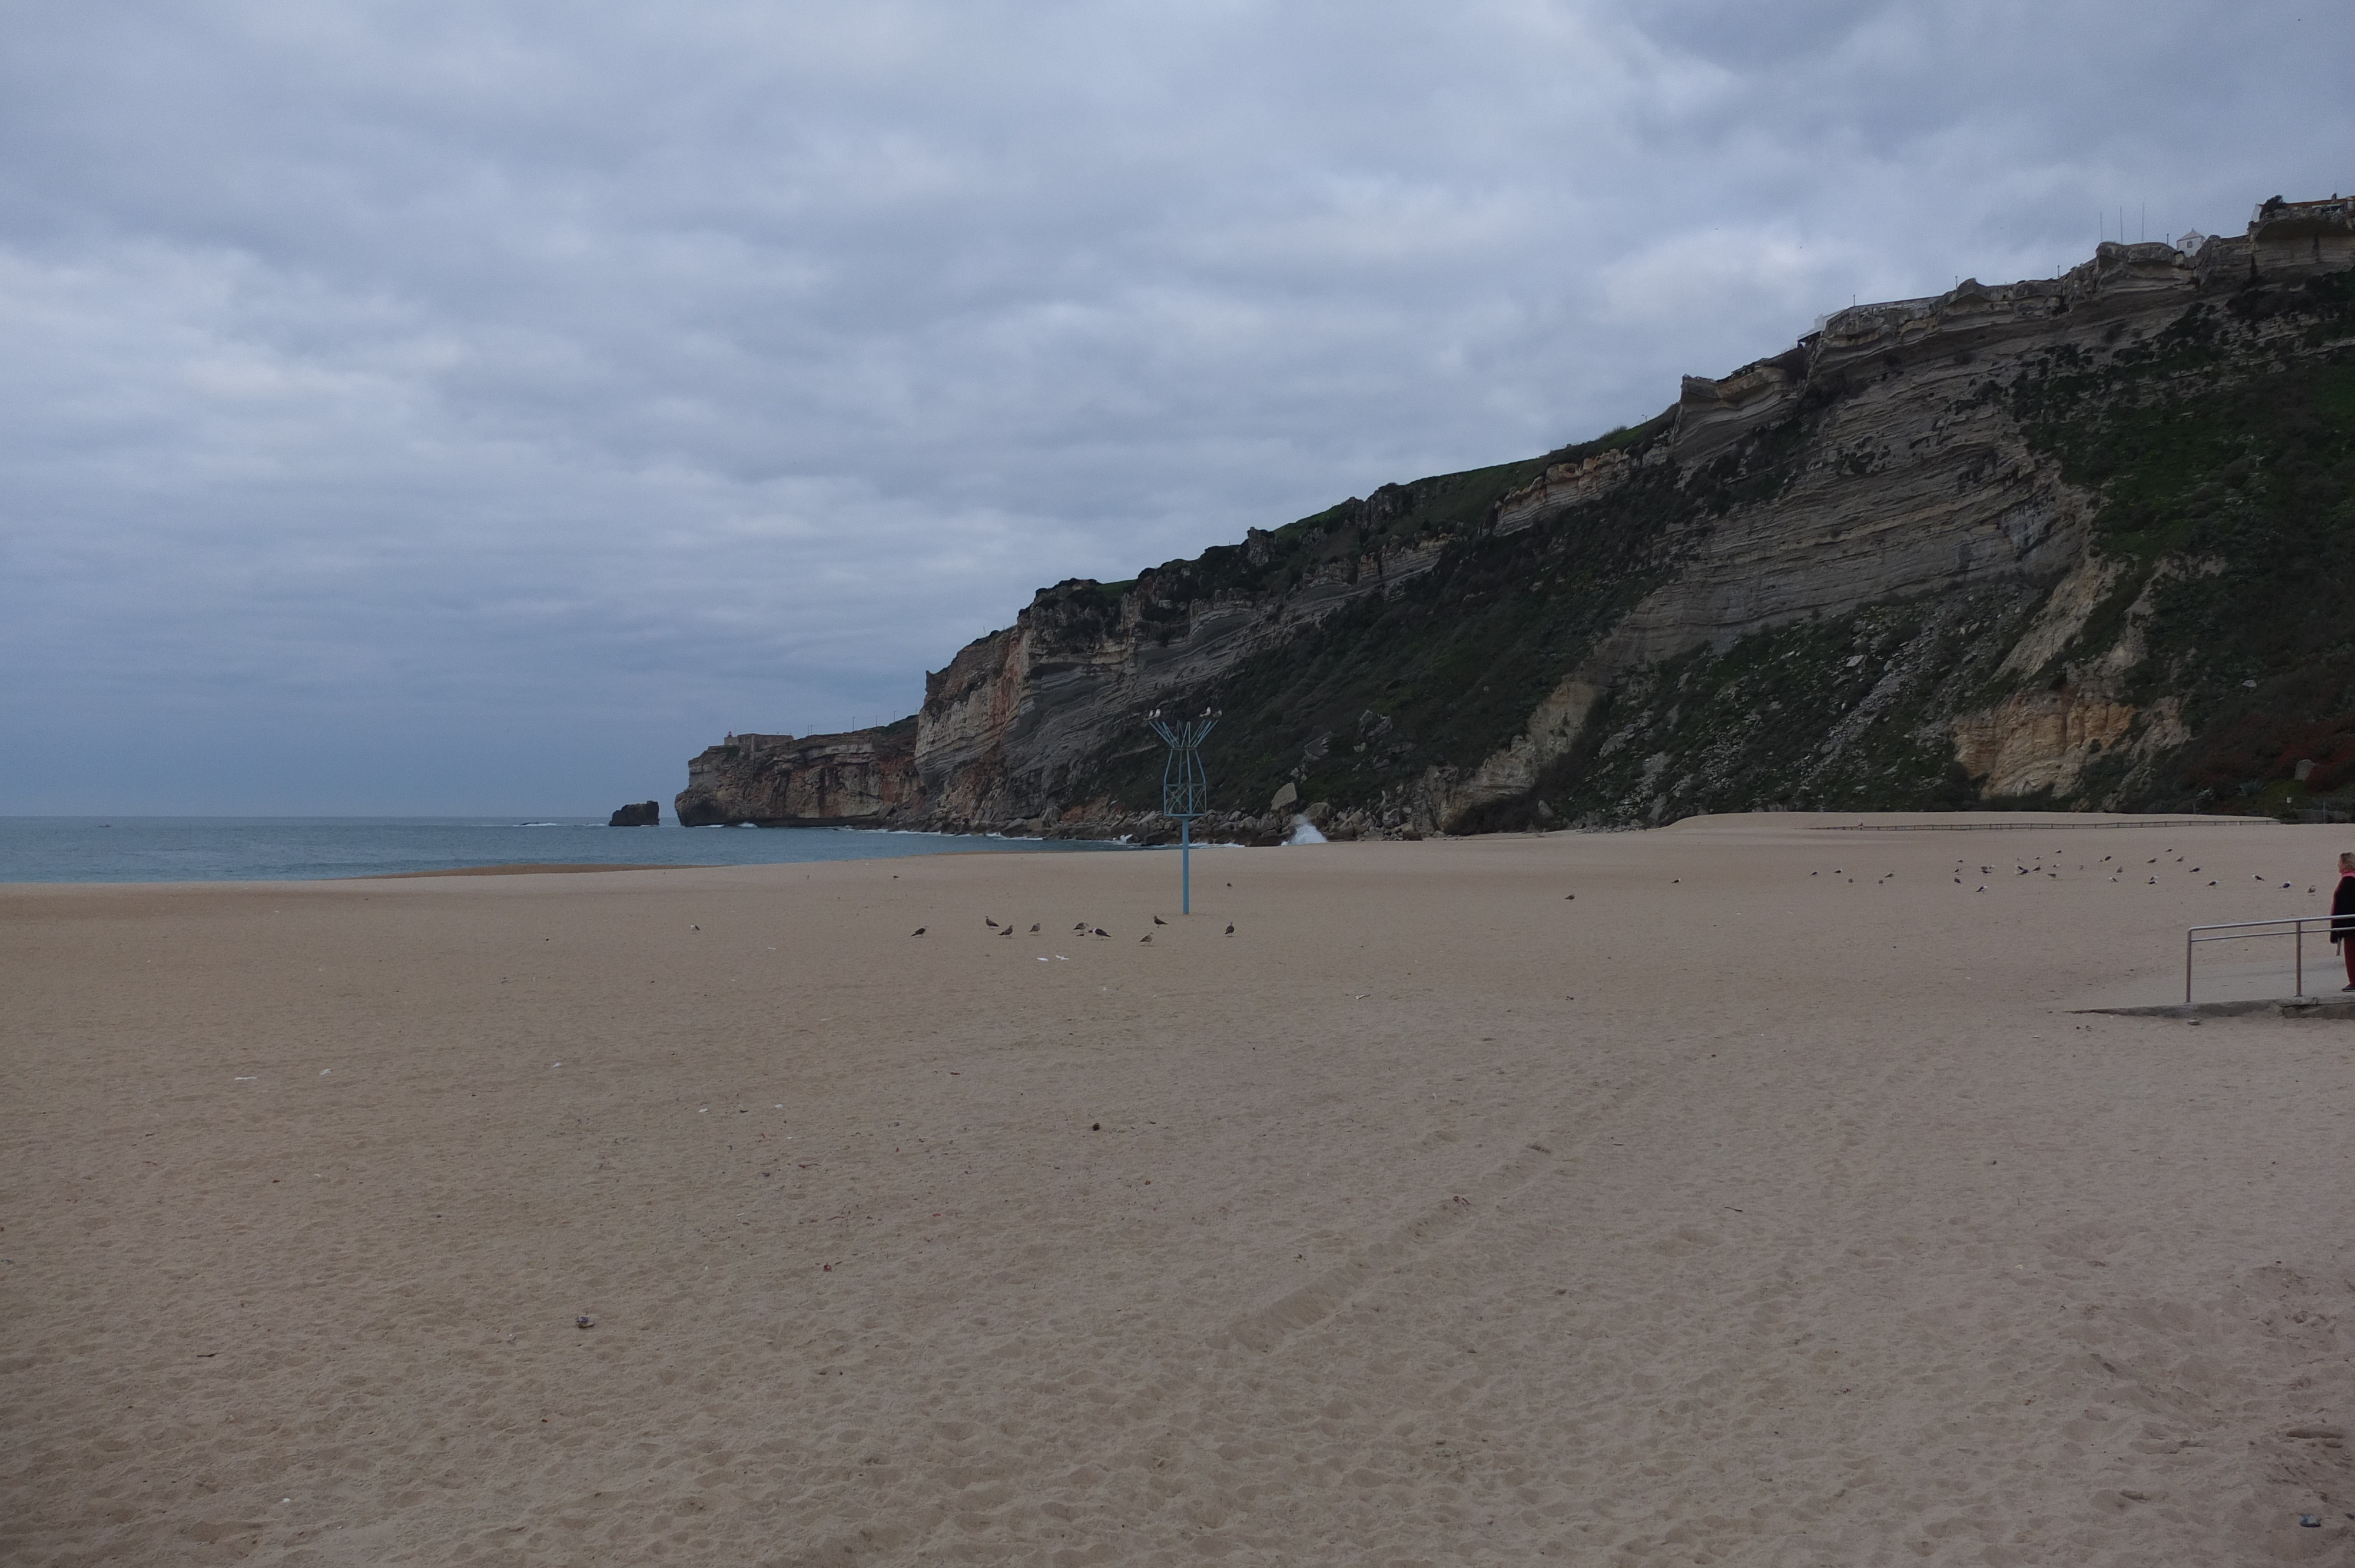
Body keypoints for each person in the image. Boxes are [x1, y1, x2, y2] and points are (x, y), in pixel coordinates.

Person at [2333, 852, 2355, 991]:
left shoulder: (2348, 881)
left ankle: (2354, 982)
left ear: (2346, 864)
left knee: (2352, 954)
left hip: (2350, 926)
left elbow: (2344, 906)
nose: (2338, 865)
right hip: (2350, 925)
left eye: (2339, 862)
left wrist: (2337, 928)